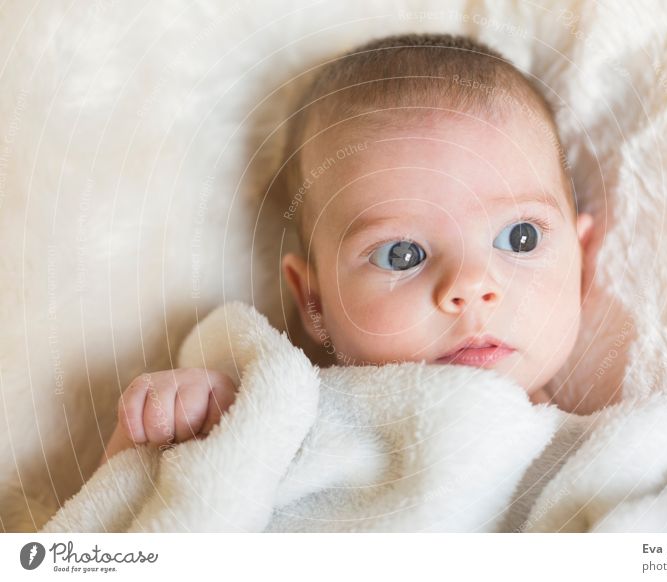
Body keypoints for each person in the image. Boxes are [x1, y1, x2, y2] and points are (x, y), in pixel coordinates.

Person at [100, 32, 596, 465]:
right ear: (315, 304)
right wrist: (154, 440)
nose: (470, 286)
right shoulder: (274, 420)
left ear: (582, 262)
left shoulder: (606, 458)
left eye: (520, 238)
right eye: (402, 254)